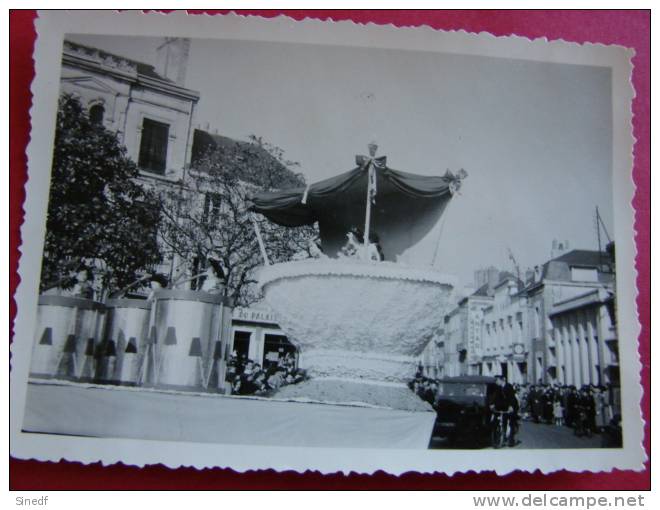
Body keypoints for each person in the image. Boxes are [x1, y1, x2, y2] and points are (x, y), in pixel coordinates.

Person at [488, 375, 519, 447]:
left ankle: (511, 441)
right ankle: (501, 437)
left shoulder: (509, 386)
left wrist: (511, 406)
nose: (496, 382)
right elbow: (495, 397)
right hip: (503, 407)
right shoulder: (498, 388)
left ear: (502, 380)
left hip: (512, 406)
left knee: (511, 423)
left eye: (497, 380)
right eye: (496, 381)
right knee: (501, 422)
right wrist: (492, 404)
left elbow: (512, 398)